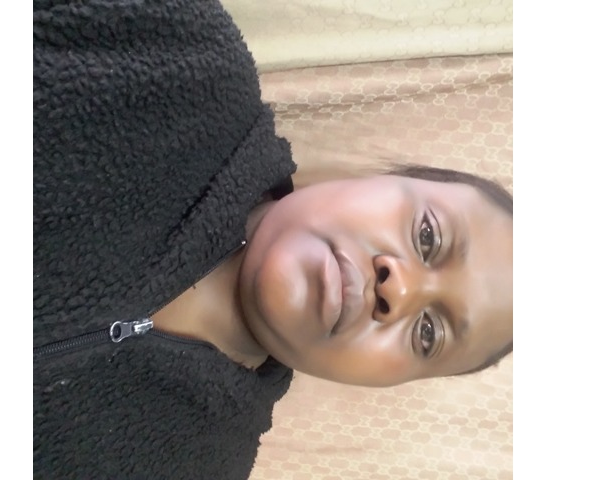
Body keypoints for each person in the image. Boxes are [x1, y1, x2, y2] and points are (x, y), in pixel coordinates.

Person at [33, 0, 513, 478]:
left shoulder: (202, 468)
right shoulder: (176, 47)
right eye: (428, 235)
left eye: (429, 333)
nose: (400, 289)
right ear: (384, 178)